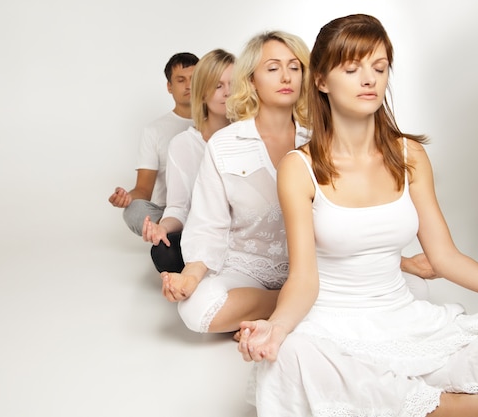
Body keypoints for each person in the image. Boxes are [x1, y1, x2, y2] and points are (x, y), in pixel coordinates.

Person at [238, 14, 478, 416]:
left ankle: (423, 402)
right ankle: (452, 407)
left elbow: (445, 257)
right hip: (332, 329)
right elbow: (303, 278)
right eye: (352, 68)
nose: (369, 79)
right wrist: (278, 327)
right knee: (290, 358)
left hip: (406, 320)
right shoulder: (298, 168)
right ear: (321, 80)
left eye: (379, 67)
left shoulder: (410, 155)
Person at [161, 31, 436, 336]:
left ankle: (292, 311)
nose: (286, 77)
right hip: (248, 271)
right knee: (198, 309)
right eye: (273, 68)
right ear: (252, 79)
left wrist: (398, 262)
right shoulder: (225, 144)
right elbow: (208, 224)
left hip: (317, 269)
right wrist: (191, 275)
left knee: (417, 292)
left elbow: (350, 218)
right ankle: (293, 307)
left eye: (295, 67)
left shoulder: (323, 139)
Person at [142, 48, 235, 273]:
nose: (228, 93)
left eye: (234, 85)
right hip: (203, 235)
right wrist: (162, 227)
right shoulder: (182, 144)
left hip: (246, 237)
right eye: (218, 85)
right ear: (202, 91)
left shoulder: (251, 136)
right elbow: (179, 207)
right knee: (164, 251)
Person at [108, 52, 199, 236]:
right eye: (181, 80)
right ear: (169, 86)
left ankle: (180, 239)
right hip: (170, 211)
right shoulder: (154, 130)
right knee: (134, 211)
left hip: (209, 208)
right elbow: (143, 189)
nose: (189, 85)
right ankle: (171, 233)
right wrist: (127, 198)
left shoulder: (219, 121)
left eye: (194, 78)